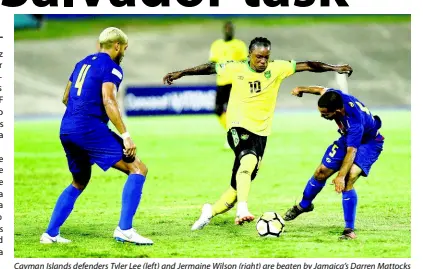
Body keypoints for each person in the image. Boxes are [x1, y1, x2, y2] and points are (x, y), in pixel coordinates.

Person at [162, 37, 353, 230]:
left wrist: (334, 68)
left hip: (261, 134)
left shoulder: (277, 68)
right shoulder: (236, 68)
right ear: (249, 55)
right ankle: (243, 210)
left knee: (236, 188)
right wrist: (182, 73)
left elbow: (309, 65)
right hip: (238, 126)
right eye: (258, 57)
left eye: (266, 57)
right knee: (248, 160)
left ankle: (209, 212)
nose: (263, 61)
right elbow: (210, 67)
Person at [40, 27, 153, 245]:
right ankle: (125, 229)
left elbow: (65, 97)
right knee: (138, 168)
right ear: (118, 46)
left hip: (67, 128)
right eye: (124, 49)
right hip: (88, 128)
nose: (124, 53)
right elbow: (109, 100)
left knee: (79, 181)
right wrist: (126, 135)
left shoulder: (81, 63)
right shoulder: (112, 68)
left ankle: (51, 234)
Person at [282, 86, 384, 240]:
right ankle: (304, 205)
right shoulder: (336, 96)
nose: (322, 116)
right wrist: (301, 89)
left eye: (325, 113)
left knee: (349, 177)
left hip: (369, 143)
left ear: (337, 110)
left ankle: (349, 230)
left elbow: (352, 151)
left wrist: (340, 176)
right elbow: (321, 90)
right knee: (321, 172)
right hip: (348, 138)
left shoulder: (354, 122)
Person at [209, 22, 248, 148]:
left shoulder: (239, 45)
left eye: (230, 29)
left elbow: (245, 63)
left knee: (235, 111)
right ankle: (232, 133)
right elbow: (212, 63)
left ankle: (237, 136)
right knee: (218, 110)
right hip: (221, 82)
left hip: (235, 82)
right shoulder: (216, 45)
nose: (228, 31)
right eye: (226, 29)